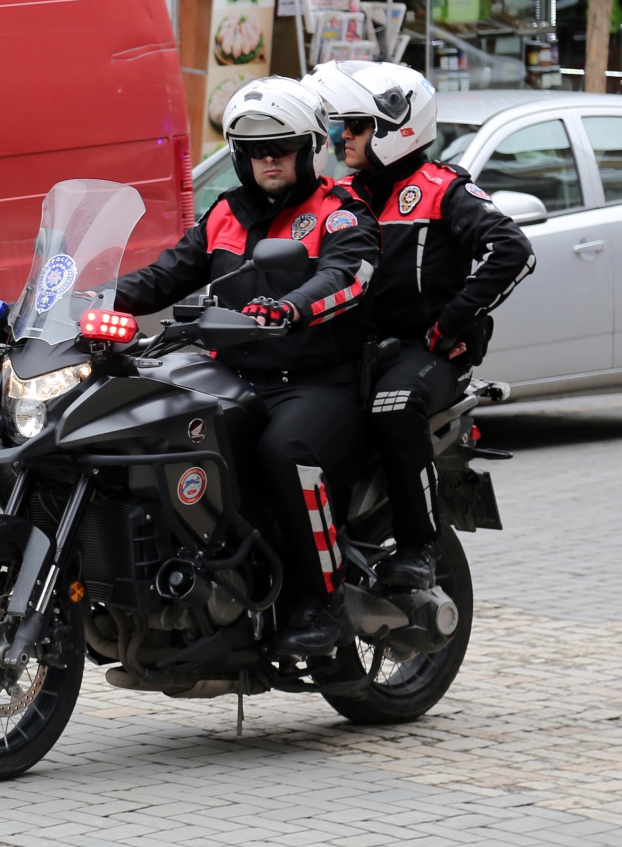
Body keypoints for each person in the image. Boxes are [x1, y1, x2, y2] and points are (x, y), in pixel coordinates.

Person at [113, 76, 380, 657]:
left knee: (284, 453)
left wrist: (290, 307)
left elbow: (345, 278)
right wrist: (85, 300)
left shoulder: (338, 212)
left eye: (281, 147)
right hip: (234, 376)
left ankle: (322, 601)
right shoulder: (225, 214)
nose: (269, 159)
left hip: (316, 383)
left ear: (309, 148)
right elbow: (165, 275)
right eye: (256, 150)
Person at [304, 60, 534, 590]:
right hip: (356, 347)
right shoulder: (343, 195)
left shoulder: (442, 188)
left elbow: (512, 251)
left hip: (420, 352)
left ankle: (418, 547)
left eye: (356, 127)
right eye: (342, 126)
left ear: (395, 127)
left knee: (393, 405)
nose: (344, 138)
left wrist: (451, 323)